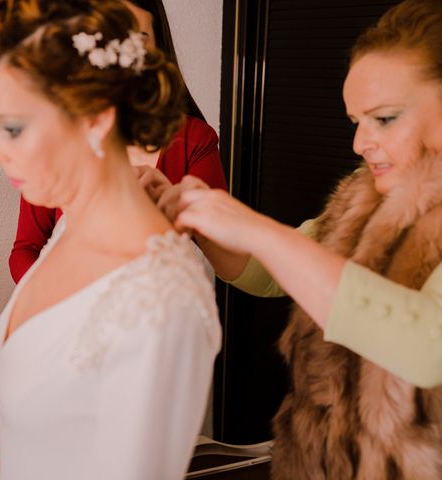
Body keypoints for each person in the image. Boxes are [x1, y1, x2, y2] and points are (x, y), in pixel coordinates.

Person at [150, 0, 442, 478]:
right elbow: (269, 271)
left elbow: (429, 349)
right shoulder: (361, 196)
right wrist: (194, 214)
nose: (359, 143)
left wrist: (255, 228)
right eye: (356, 122)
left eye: (384, 119)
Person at [0, 1, 222, 479]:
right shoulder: (68, 228)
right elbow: (20, 421)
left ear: (97, 116)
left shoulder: (160, 296)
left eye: (12, 127)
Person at [8, 0, 228, 283]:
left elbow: (224, 256)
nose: (122, 57)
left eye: (137, 40)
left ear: (158, 50)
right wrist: (62, 302)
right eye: (108, 39)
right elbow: (25, 250)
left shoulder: (194, 139)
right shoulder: (55, 142)